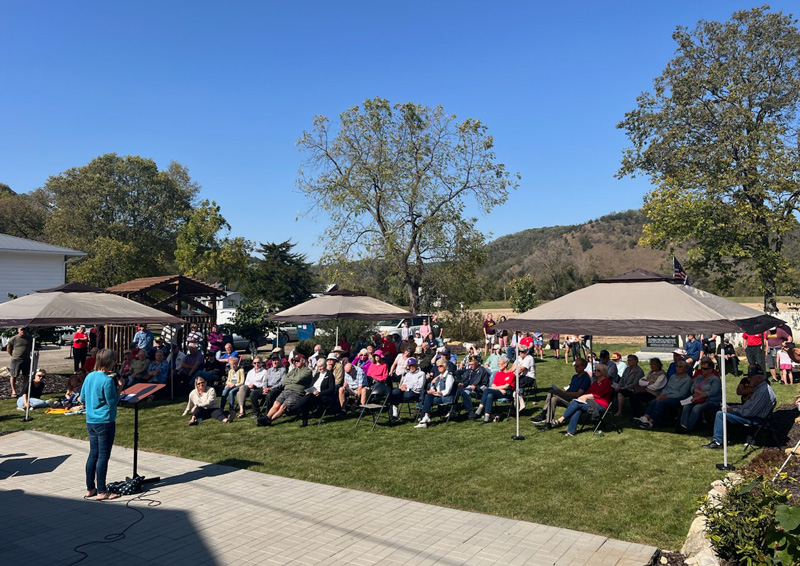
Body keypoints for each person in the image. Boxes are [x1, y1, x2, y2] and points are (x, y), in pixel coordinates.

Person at [81, 349, 124, 501]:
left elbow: (82, 398)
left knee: (93, 454)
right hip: (105, 421)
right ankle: (101, 491)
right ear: (108, 361)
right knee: (103, 456)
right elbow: (113, 403)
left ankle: (90, 488)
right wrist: (120, 387)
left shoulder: (89, 377)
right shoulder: (106, 380)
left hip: (91, 421)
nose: (115, 363)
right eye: (113, 360)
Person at [703, 365, 776, 449]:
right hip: (752, 414)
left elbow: (750, 412)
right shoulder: (760, 388)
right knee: (724, 408)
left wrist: (735, 409)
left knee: (721, 414)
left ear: (759, 378)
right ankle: (723, 435)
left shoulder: (763, 392)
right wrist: (736, 407)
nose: (749, 379)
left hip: (755, 418)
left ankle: (718, 442)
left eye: (751, 377)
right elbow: (749, 405)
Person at [549, 364, 613, 437]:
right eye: (595, 370)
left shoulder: (606, 382)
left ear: (604, 372)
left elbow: (599, 395)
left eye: (598, 370)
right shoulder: (595, 383)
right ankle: (570, 432)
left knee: (576, 403)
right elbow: (588, 392)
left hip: (602, 405)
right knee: (577, 407)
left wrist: (585, 396)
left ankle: (561, 419)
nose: (596, 372)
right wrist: (584, 396)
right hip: (591, 402)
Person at [532, 358, 591, 428]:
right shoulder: (574, 377)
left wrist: (564, 393)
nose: (575, 368)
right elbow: (570, 388)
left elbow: (579, 394)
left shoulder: (586, 378)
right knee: (553, 399)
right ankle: (548, 423)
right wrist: (563, 392)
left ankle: (543, 414)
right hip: (568, 397)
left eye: (577, 366)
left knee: (552, 392)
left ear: (583, 367)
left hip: (575, 401)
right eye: (575, 366)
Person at [635, 360, 693, 428]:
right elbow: (666, 387)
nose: (678, 368)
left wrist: (667, 396)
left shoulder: (687, 379)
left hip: (677, 398)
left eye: (680, 367)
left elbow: (682, 394)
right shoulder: (673, 376)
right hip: (666, 395)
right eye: (677, 366)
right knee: (655, 400)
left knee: (661, 402)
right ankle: (645, 417)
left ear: (685, 369)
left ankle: (651, 421)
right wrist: (662, 394)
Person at [260, 355, 313, 425]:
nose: (296, 363)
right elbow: (285, 379)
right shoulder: (294, 370)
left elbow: (298, 379)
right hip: (287, 390)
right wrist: (292, 380)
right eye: (295, 361)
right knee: (276, 403)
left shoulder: (307, 371)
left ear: (303, 361)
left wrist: (290, 380)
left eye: (297, 361)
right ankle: (267, 417)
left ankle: (269, 420)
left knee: (283, 407)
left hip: (297, 392)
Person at [677, 357, 722, 433]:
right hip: (696, 399)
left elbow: (712, 392)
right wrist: (698, 392)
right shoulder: (699, 377)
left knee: (697, 408)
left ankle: (689, 427)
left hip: (710, 401)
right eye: (702, 368)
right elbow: (692, 387)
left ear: (711, 370)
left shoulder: (715, 379)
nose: (702, 370)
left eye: (705, 369)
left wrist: (700, 395)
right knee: (687, 406)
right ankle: (683, 425)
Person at [472, 355, 515, 425]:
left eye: (499, 363)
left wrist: (498, 388)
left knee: (487, 390)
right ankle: (486, 418)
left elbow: (507, 386)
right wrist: (500, 389)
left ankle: (479, 410)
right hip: (499, 392)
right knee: (490, 395)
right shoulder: (497, 374)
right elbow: (493, 385)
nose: (498, 365)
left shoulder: (511, 374)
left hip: (507, 393)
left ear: (505, 364)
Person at [414, 358, 456, 428]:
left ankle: (423, 418)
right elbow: (435, 387)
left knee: (428, 399)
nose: (439, 368)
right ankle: (425, 418)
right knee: (427, 396)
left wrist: (435, 392)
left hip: (445, 397)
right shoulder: (439, 377)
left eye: (441, 366)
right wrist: (432, 387)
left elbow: (447, 391)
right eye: (438, 366)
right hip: (437, 395)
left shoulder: (449, 377)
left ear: (445, 366)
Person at [6, 326, 31, 398]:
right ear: (18, 330)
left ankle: (25, 390)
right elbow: (8, 348)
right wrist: (13, 355)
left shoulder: (29, 338)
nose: (23, 331)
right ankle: (14, 391)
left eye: (25, 329)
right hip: (16, 360)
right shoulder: (14, 338)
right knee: (13, 375)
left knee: (26, 375)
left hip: (26, 360)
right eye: (21, 329)